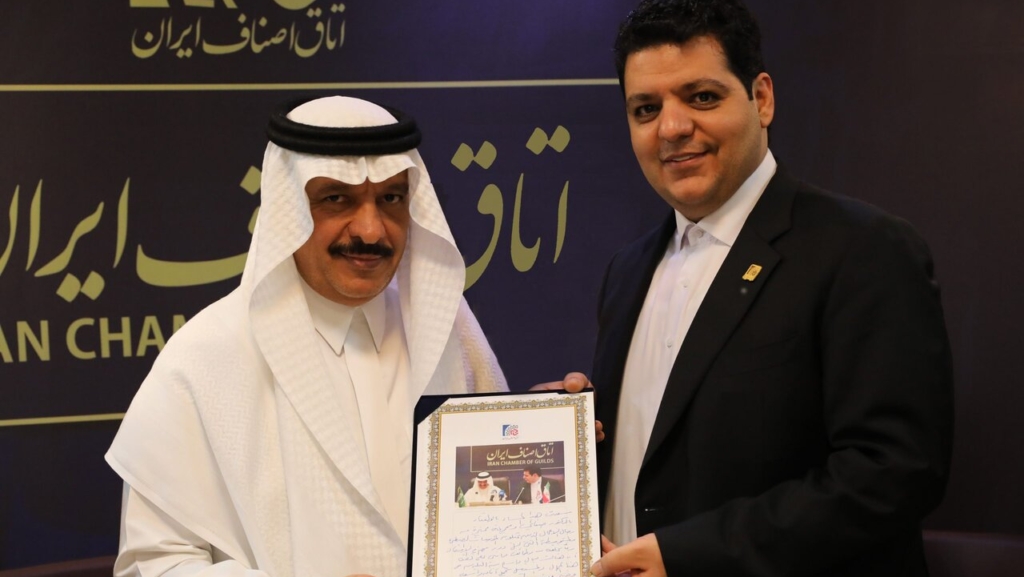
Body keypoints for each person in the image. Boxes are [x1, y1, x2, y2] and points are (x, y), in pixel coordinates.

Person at [588, 1, 954, 576]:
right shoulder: (626, 270)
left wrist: (689, 557)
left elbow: (893, 472)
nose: (672, 128)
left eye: (701, 97)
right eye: (646, 109)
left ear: (761, 99)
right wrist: (571, 432)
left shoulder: (864, 249)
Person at [105, 95, 525, 577]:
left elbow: (493, 510)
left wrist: (545, 436)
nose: (371, 231)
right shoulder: (206, 356)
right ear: (289, 208)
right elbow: (152, 564)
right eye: (336, 199)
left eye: (391, 198)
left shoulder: (447, 327)